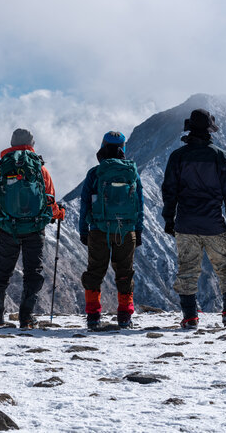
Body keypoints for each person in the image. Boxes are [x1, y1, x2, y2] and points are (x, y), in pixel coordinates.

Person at [0, 128, 65, 329]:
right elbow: (50, 200)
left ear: (12, 143)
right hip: (35, 228)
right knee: (33, 272)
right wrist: (58, 214)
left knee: (2, 272)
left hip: (9, 228)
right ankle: (26, 317)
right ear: (31, 144)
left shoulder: (2, 169)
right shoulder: (40, 169)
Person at [161, 108, 226, 329]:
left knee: (187, 270)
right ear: (209, 131)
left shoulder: (177, 157)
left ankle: (189, 317)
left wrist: (169, 219)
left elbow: (169, 191)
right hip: (214, 223)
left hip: (185, 223)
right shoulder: (219, 156)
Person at [79, 131, 144, 330]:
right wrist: (138, 230)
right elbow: (140, 204)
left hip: (99, 230)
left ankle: (93, 317)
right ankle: (125, 317)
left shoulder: (95, 173)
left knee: (95, 273)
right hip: (126, 231)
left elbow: (85, 204)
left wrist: (84, 230)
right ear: (123, 148)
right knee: (125, 273)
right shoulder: (132, 172)